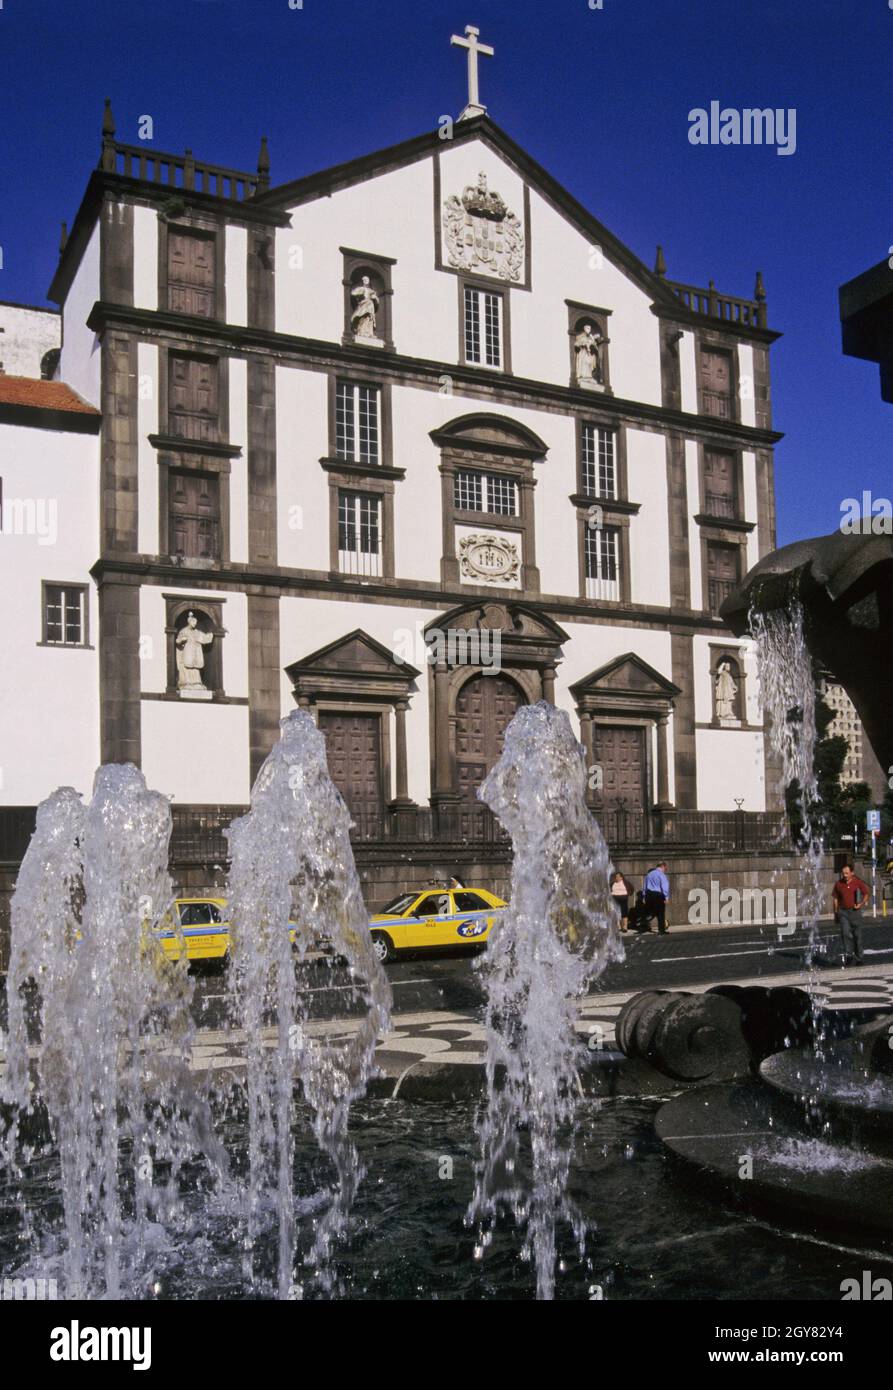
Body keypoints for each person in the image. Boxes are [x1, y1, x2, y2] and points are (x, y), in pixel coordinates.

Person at [831, 862, 871, 966]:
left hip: (855, 912)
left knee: (857, 935)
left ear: (852, 873)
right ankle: (848, 955)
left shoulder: (857, 882)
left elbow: (866, 894)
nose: (844, 875)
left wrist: (861, 903)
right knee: (845, 933)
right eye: (843, 873)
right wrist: (835, 913)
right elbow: (835, 898)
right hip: (843, 912)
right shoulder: (838, 884)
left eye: (846, 873)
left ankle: (859, 958)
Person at [642, 862, 671, 935]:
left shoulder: (649, 874)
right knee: (660, 913)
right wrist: (666, 897)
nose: (665, 869)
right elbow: (664, 886)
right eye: (665, 868)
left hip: (649, 894)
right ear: (663, 866)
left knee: (652, 909)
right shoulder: (661, 874)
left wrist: (644, 896)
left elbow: (644, 886)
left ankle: (648, 918)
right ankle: (661, 930)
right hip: (658, 895)